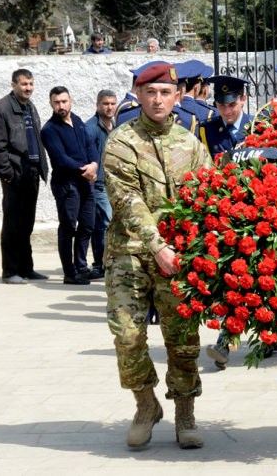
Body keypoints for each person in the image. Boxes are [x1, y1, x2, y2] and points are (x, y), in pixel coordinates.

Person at [103, 63, 212, 449]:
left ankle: (185, 412)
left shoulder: (192, 145)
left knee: (182, 340)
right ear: (138, 94)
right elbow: (126, 199)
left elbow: (207, 199)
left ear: (178, 96)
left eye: (165, 92)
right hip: (129, 252)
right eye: (150, 92)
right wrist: (157, 245)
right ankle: (146, 405)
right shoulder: (120, 141)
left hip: (179, 257)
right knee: (127, 335)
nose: (158, 99)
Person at [0, 69, 49, 284]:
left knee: (27, 223)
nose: (28, 88)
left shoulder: (30, 106)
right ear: (13, 85)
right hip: (15, 174)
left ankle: (26, 268)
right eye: (24, 84)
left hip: (31, 171)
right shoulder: (1, 109)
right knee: (13, 224)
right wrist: (8, 174)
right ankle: (10, 271)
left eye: (31, 84)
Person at [41, 87, 100, 285]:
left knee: (88, 226)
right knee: (68, 229)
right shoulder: (49, 130)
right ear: (51, 104)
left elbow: (90, 145)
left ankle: (82, 268)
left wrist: (95, 164)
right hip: (67, 185)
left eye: (64, 101)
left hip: (86, 184)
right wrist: (88, 170)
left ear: (71, 101)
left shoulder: (77, 120)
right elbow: (61, 160)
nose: (61, 106)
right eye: (56, 102)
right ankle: (70, 272)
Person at [115, 61, 197, 134]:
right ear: (139, 96)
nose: (158, 101)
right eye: (151, 92)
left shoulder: (191, 142)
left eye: (165, 92)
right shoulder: (119, 137)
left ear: (176, 98)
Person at [85, 89, 117, 275]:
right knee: (103, 224)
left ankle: (106, 263)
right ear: (98, 105)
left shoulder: (113, 126)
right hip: (99, 184)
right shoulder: (91, 128)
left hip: (113, 184)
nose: (110, 107)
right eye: (106, 104)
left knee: (109, 224)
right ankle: (100, 265)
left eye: (112, 103)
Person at [197, 75, 253, 159]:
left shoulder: (255, 126)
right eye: (221, 105)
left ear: (243, 99)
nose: (227, 111)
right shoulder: (207, 130)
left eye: (232, 105)